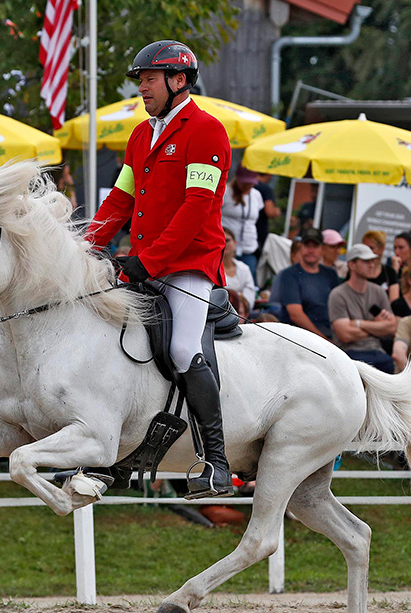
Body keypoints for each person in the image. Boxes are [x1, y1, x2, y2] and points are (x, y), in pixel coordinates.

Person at [84, 40, 233, 499]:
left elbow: (196, 209)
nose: (142, 88)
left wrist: (147, 261)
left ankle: (217, 461)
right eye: (141, 80)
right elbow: (120, 201)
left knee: (185, 348)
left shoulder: (206, 131)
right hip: (145, 263)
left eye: (149, 79)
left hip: (188, 265)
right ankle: (121, 454)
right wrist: (83, 249)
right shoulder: (140, 135)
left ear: (178, 80)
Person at [327, 243, 396, 372]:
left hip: (377, 351)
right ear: (352, 265)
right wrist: (377, 327)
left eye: (373, 261)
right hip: (349, 354)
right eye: (366, 261)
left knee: (388, 365)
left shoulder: (378, 291)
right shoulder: (338, 294)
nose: (372, 265)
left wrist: (358, 324)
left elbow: (392, 327)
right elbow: (345, 335)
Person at [278, 228, 339, 340]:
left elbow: (339, 307)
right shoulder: (289, 274)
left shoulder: (331, 274)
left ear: (322, 249)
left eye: (315, 246)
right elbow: (295, 314)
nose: (311, 250)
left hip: (330, 335)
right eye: (307, 246)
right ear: (301, 247)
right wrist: (323, 340)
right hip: (298, 337)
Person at [220, 165, 260, 277]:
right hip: (226, 248)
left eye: (251, 183)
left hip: (248, 248)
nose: (249, 186)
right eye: (245, 182)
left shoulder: (256, 195)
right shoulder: (226, 192)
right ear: (238, 179)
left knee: (248, 278)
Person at [221, 227, 256, 307]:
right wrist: (239, 296)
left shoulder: (244, 268)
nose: (224, 243)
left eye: (227, 240)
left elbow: (250, 298)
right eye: (221, 240)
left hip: (243, 313)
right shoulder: (211, 269)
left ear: (235, 243)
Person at [252, 172, 280, 258]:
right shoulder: (265, 188)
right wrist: (277, 211)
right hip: (258, 233)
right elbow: (270, 212)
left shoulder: (249, 184)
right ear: (268, 174)